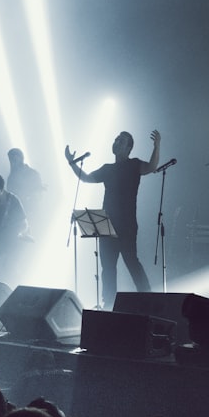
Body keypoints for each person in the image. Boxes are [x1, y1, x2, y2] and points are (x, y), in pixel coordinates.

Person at [65, 130, 160, 308]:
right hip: (107, 223)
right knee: (108, 268)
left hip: (127, 224)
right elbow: (85, 178)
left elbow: (152, 167)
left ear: (129, 147)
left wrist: (157, 146)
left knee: (131, 261)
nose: (116, 143)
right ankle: (108, 302)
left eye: (121, 141)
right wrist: (71, 162)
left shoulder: (134, 165)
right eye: (116, 139)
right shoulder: (107, 169)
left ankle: (148, 298)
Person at [7, 149, 46, 236]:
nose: (12, 161)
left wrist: (30, 197)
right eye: (11, 159)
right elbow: (10, 197)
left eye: (14, 158)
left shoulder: (33, 173)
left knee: (37, 236)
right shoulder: (11, 178)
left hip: (33, 213)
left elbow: (39, 195)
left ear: (21, 158)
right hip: (18, 216)